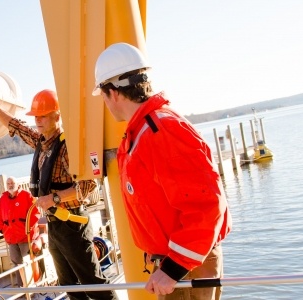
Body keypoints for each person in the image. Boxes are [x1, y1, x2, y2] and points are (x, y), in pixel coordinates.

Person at [93, 42, 232, 299]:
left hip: (185, 268)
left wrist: (173, 268)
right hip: (176, 264)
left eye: (102, 96)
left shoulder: (161, 131)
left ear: (113, 93)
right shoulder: (144, 132)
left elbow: (207, 204)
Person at [0, 86, 117, 300]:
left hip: (73, 225)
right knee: (68, 285)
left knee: (94, 284)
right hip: (54, 226)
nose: (38, 120)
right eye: (36, 116)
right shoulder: (40, 143)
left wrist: (54, 198)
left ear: (57, 117)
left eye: (43, 116)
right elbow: (15, 125)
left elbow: (88, 187)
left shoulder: (67, 148)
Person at [0, 176, 40, 286]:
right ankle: (22, 287)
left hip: (25, 237)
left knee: (28, 262)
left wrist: (28, 228)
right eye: (8, 183)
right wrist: (2, 229)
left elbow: (36, 213)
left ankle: (34, 286)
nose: (10, 185)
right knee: (17, 263)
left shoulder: (26, 195)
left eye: (12, 182)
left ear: (17, 183)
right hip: (11, 238)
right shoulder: (3, 199)